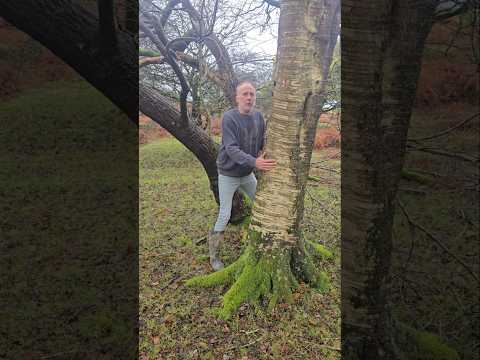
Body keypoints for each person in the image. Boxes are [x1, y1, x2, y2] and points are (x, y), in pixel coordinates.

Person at [208, 80, 276, 271]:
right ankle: (214, 257)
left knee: (262, 204)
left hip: (247, 174)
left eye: (252, 94)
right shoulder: (229, 118)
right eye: (244, 94)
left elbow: (262, 141)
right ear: (237, 98)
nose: (248, 97)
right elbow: (231, 149)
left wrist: (263, 153)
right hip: (228, 174)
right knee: (225, 213)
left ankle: (261, 241)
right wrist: (255, 162)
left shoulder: (259, 117)